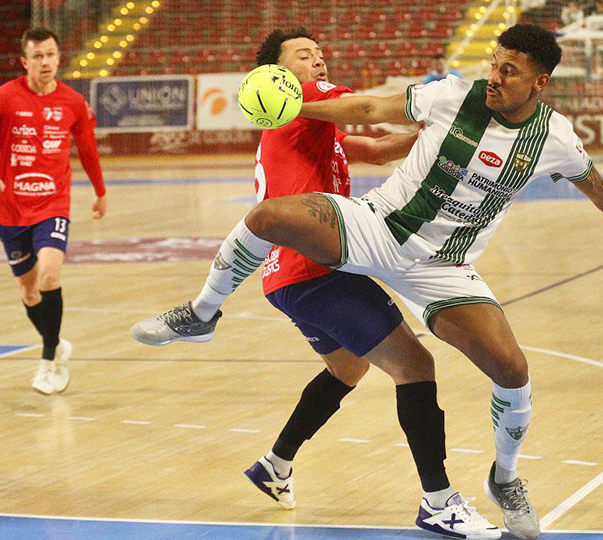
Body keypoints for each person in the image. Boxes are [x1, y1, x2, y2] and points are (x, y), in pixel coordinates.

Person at [134, 24, 603, 540]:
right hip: (379, 226)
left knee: (513, 369)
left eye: (509, 70)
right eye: (494, 63)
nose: (495, 77)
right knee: (267, 216)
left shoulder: (555, 138)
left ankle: (503, 478)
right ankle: (204, 313)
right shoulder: (455, 92)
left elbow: (602, 192)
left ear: (540, 82)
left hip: (443, 266)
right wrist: (301, 102)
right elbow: (369, 106)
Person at [131, 28, 500, 540]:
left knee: (347, 368)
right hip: (316, 268)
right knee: (415, 364)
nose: (318, 62)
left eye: (321, 55)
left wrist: (434, 140)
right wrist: (445, 110)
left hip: (288, 277)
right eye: (304, 56)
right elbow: (371, 111)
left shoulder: (309, 128)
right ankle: (439, 502)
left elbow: (374, 149)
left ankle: (274, 464)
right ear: (278, 74)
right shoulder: (296, 100)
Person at [0, 27, 107, 395]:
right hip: (11, 209)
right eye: (38, 56)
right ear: (25, 62)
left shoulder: (73, 102)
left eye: (51, 55)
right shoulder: (2, 98)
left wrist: (100, 191)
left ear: (59, 58)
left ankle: (50, 361)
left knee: (49, 276)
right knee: (29, 293)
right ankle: (55, 342)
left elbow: (88, 148)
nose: (45, 62)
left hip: (52, 204)